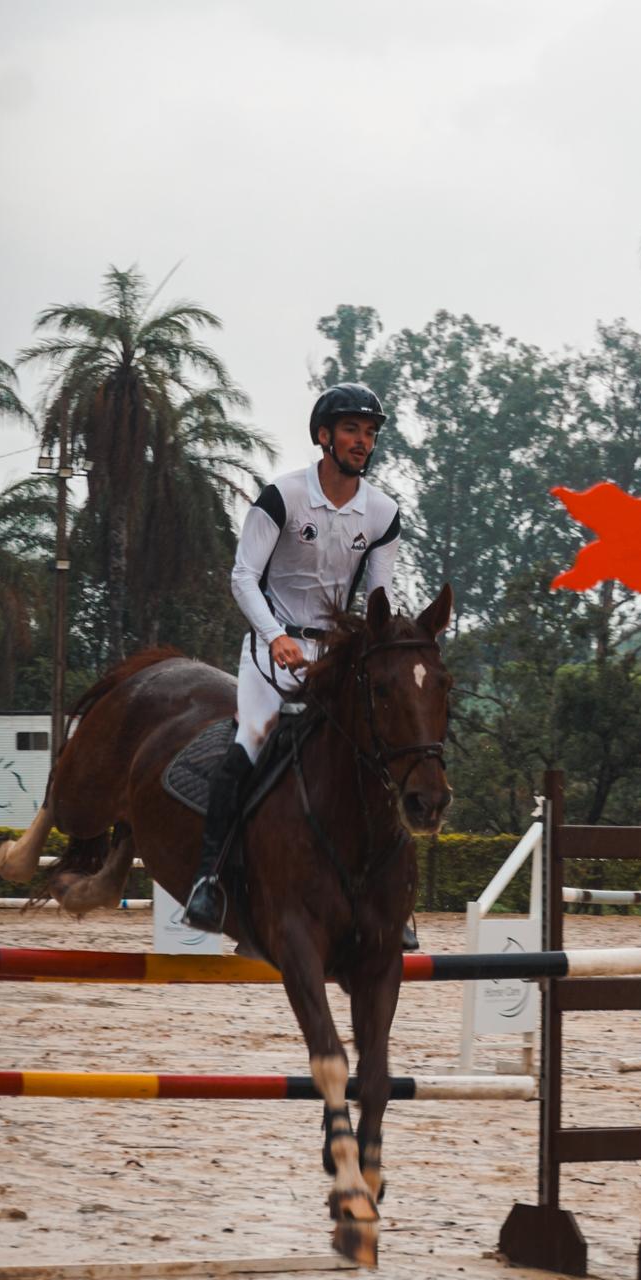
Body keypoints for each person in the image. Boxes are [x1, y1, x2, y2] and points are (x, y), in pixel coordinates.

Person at [183, 382, 402, 933]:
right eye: (352, 430)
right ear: (324, 436)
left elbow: (381, 601)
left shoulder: (382, 514)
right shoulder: (281, 497)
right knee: (253, 741)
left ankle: (393, 893)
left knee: (379, 749)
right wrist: (274, 633)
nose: (362, 441)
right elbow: (242, 577)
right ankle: (209, 880)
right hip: (271, 647)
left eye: (370, 433)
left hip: (334, 654)